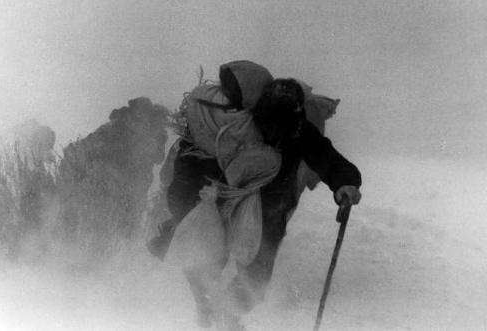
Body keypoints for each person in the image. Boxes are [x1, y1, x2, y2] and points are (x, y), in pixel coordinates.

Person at [149, 64, 362, 329]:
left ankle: (230, 315)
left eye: (281, 131)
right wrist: (191, 213)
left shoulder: (296, 130)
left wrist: (345, 183)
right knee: (204, 265)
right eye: (269, 128)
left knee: (256, 277)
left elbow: (324, 154)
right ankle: (208, 311)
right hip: (215, 206)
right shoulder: (227, 133)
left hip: (269, 210)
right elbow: (185, 177)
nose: (274, 136)